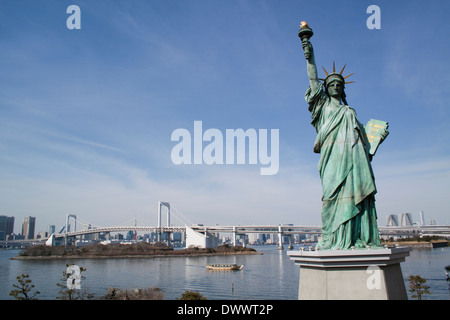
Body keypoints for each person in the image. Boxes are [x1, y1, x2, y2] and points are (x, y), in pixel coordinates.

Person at [301, 36, 387, 250]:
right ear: (326, 87)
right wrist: (308, 52)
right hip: (332, 159)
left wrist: (376, 139)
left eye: (340, 84)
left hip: (355, 162)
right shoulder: (321, 106)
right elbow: (313, 80)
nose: (336, 87)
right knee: (330, 199)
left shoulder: (350, 112)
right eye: (332, 84)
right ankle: (333, 238)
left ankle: (357, 238)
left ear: (343, 88)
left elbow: (364, 145)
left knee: (356, 195)